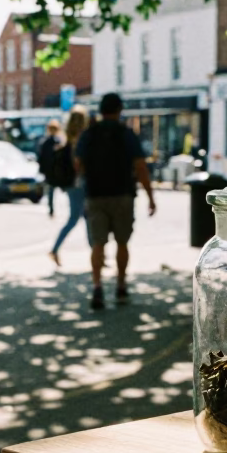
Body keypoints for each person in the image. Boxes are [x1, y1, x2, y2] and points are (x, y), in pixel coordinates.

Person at [75, 92, 156, 310]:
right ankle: (120, 285)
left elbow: (77, 165)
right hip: (122, 194)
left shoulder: (89, 134)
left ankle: (97, 286)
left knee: (98, 243)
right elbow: (140, 167)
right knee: (122, 242)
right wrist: (150, 196)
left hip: (95, 195)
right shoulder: (126, 134)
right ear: (119, 110)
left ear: (101, 110)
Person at [48, 106, 91, 267]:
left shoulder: (65, 138)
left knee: (84, 217)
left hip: (71, 184)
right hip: (80, 182)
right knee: (77, 218)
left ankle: (96, 252)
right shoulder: (82, 139)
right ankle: (55, 249)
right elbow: (78, 163)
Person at [37, 119, 63, 218]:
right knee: (52, 191)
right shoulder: (56, 142)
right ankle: (52, 209)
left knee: (51, 191)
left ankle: (52, 209)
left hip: (51, 171)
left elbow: (41, 158)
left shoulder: (47, 142)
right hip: (54, 171)